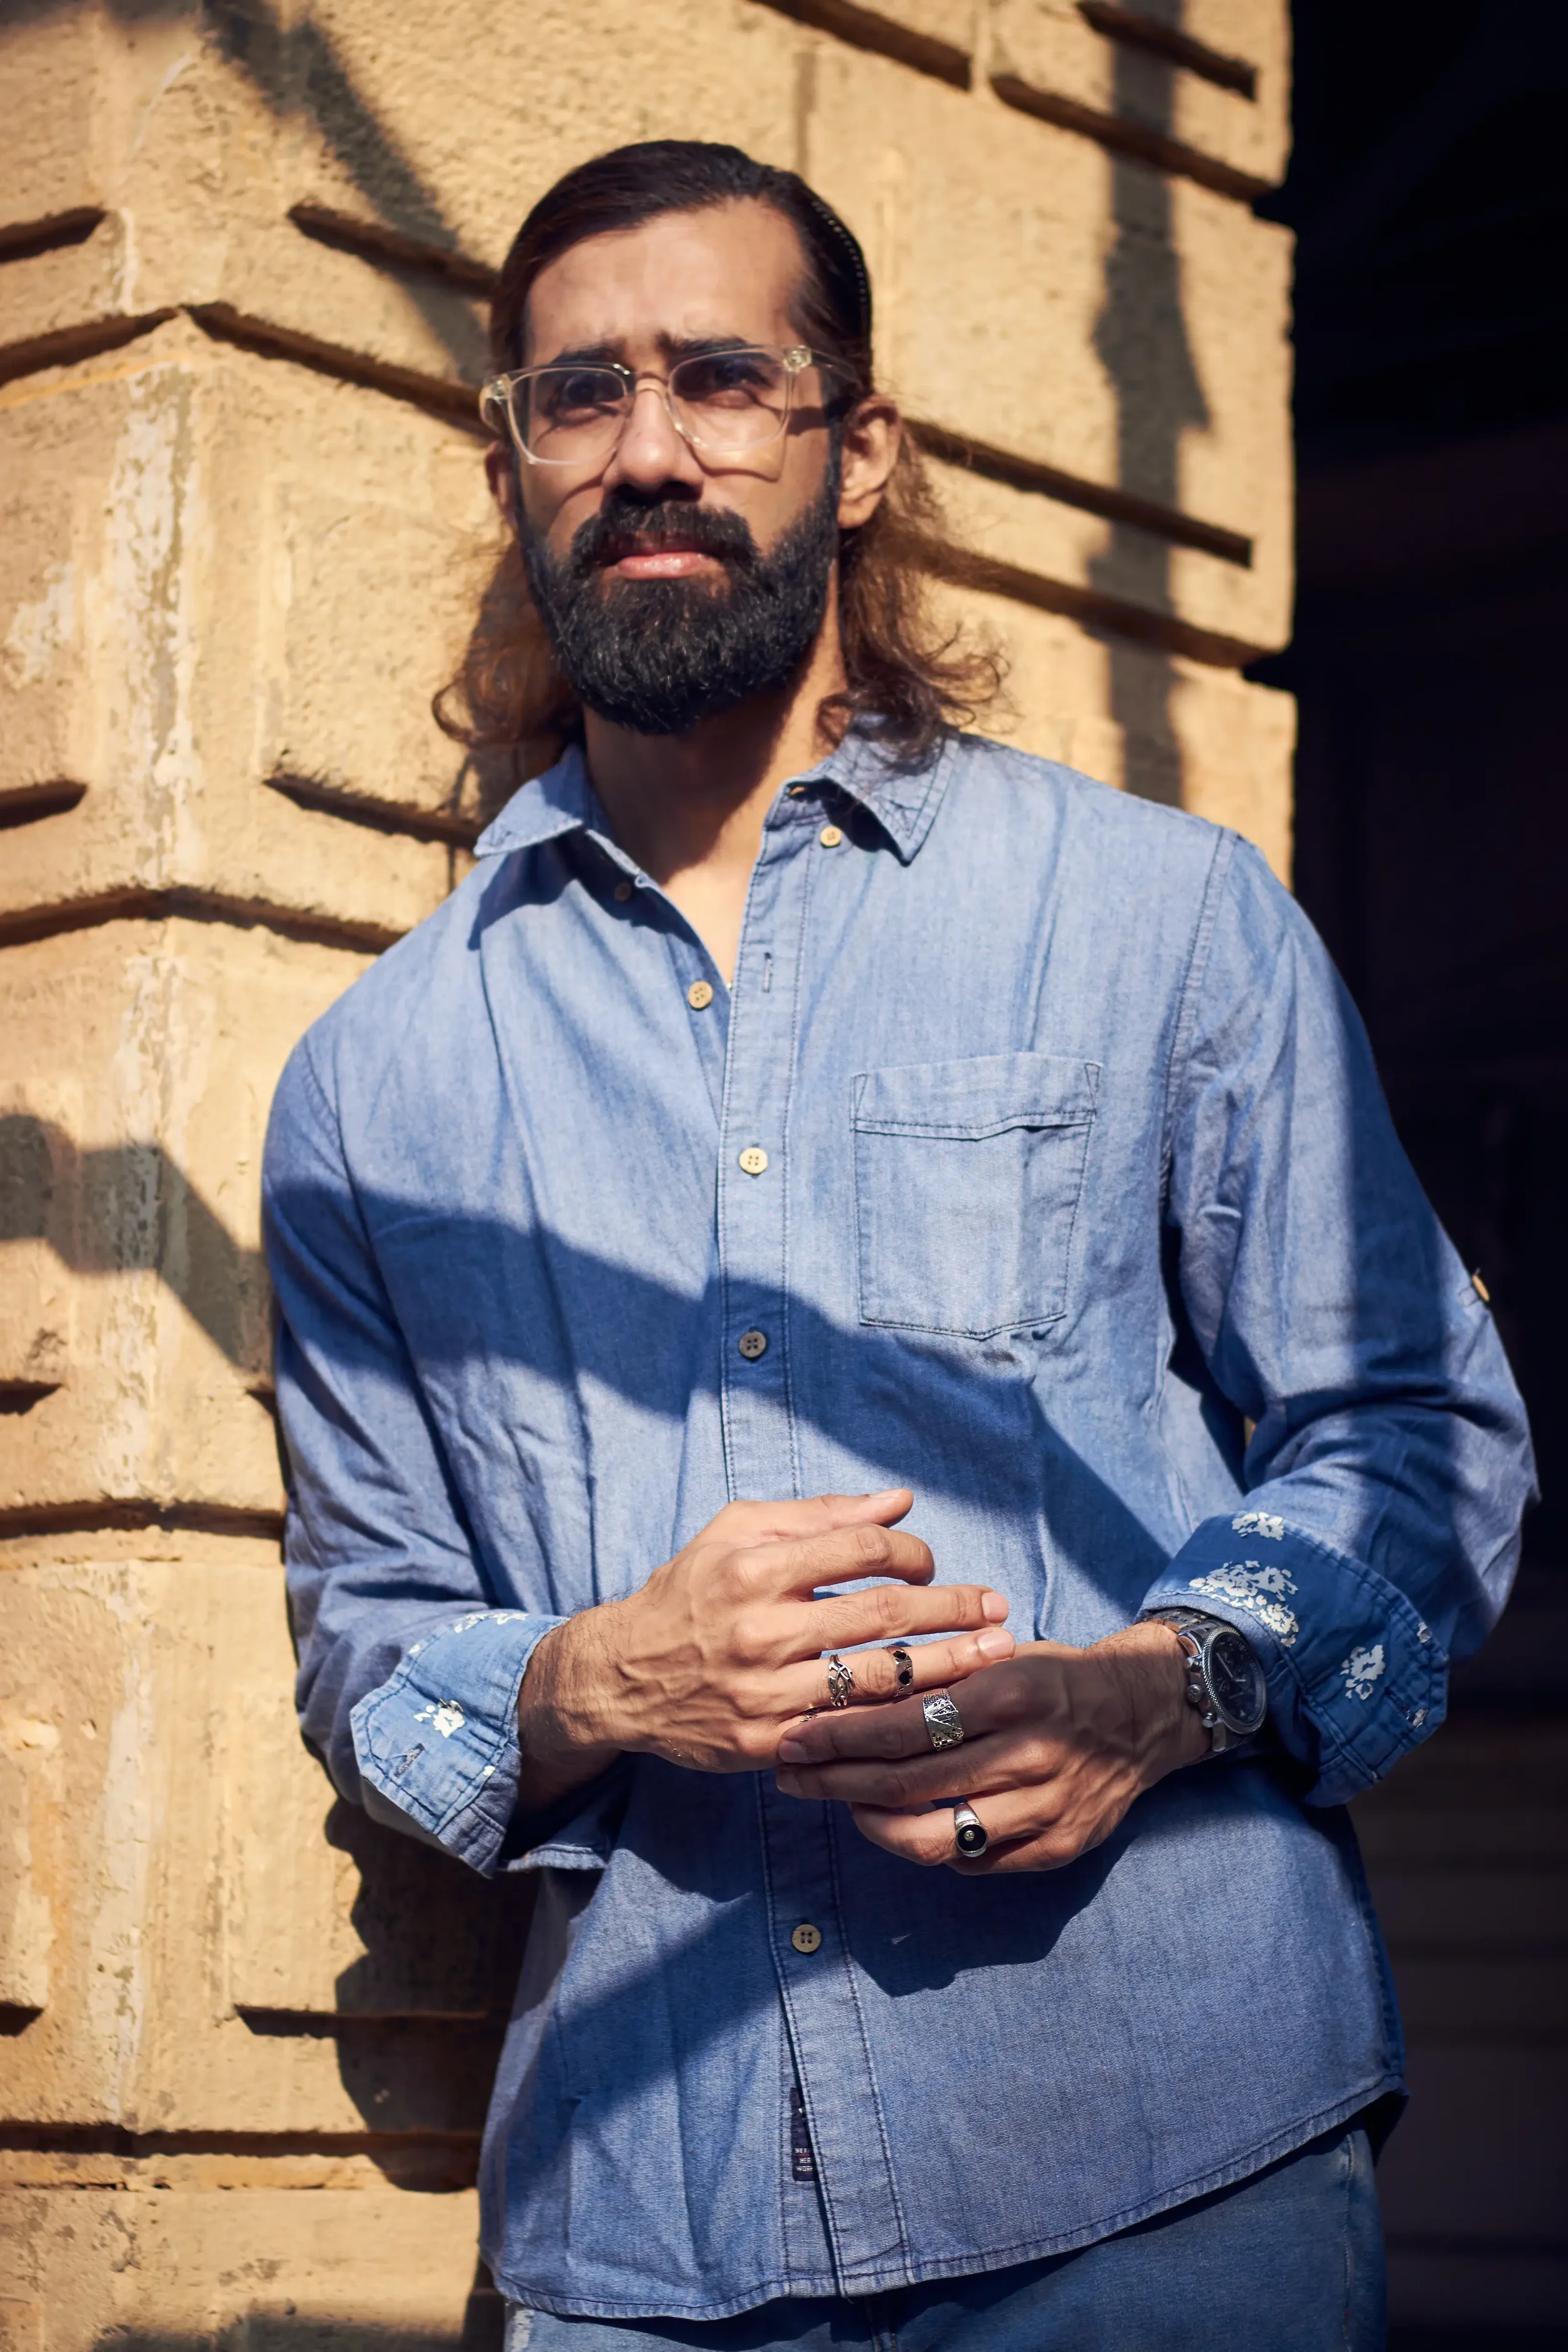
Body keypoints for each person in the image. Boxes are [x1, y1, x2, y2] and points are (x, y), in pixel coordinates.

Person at [262, 141, 1534, 2352]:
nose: (645, 446)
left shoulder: (1160, 916)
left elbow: (1420, 1429)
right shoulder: (373, 1084)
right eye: (575, 397)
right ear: (513, 467)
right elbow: (368, 1640)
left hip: (1155, 2175)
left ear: (858, 455)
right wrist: (597, 1676)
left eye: (721, 377)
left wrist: (1166, 1687)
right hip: (648, 2251)